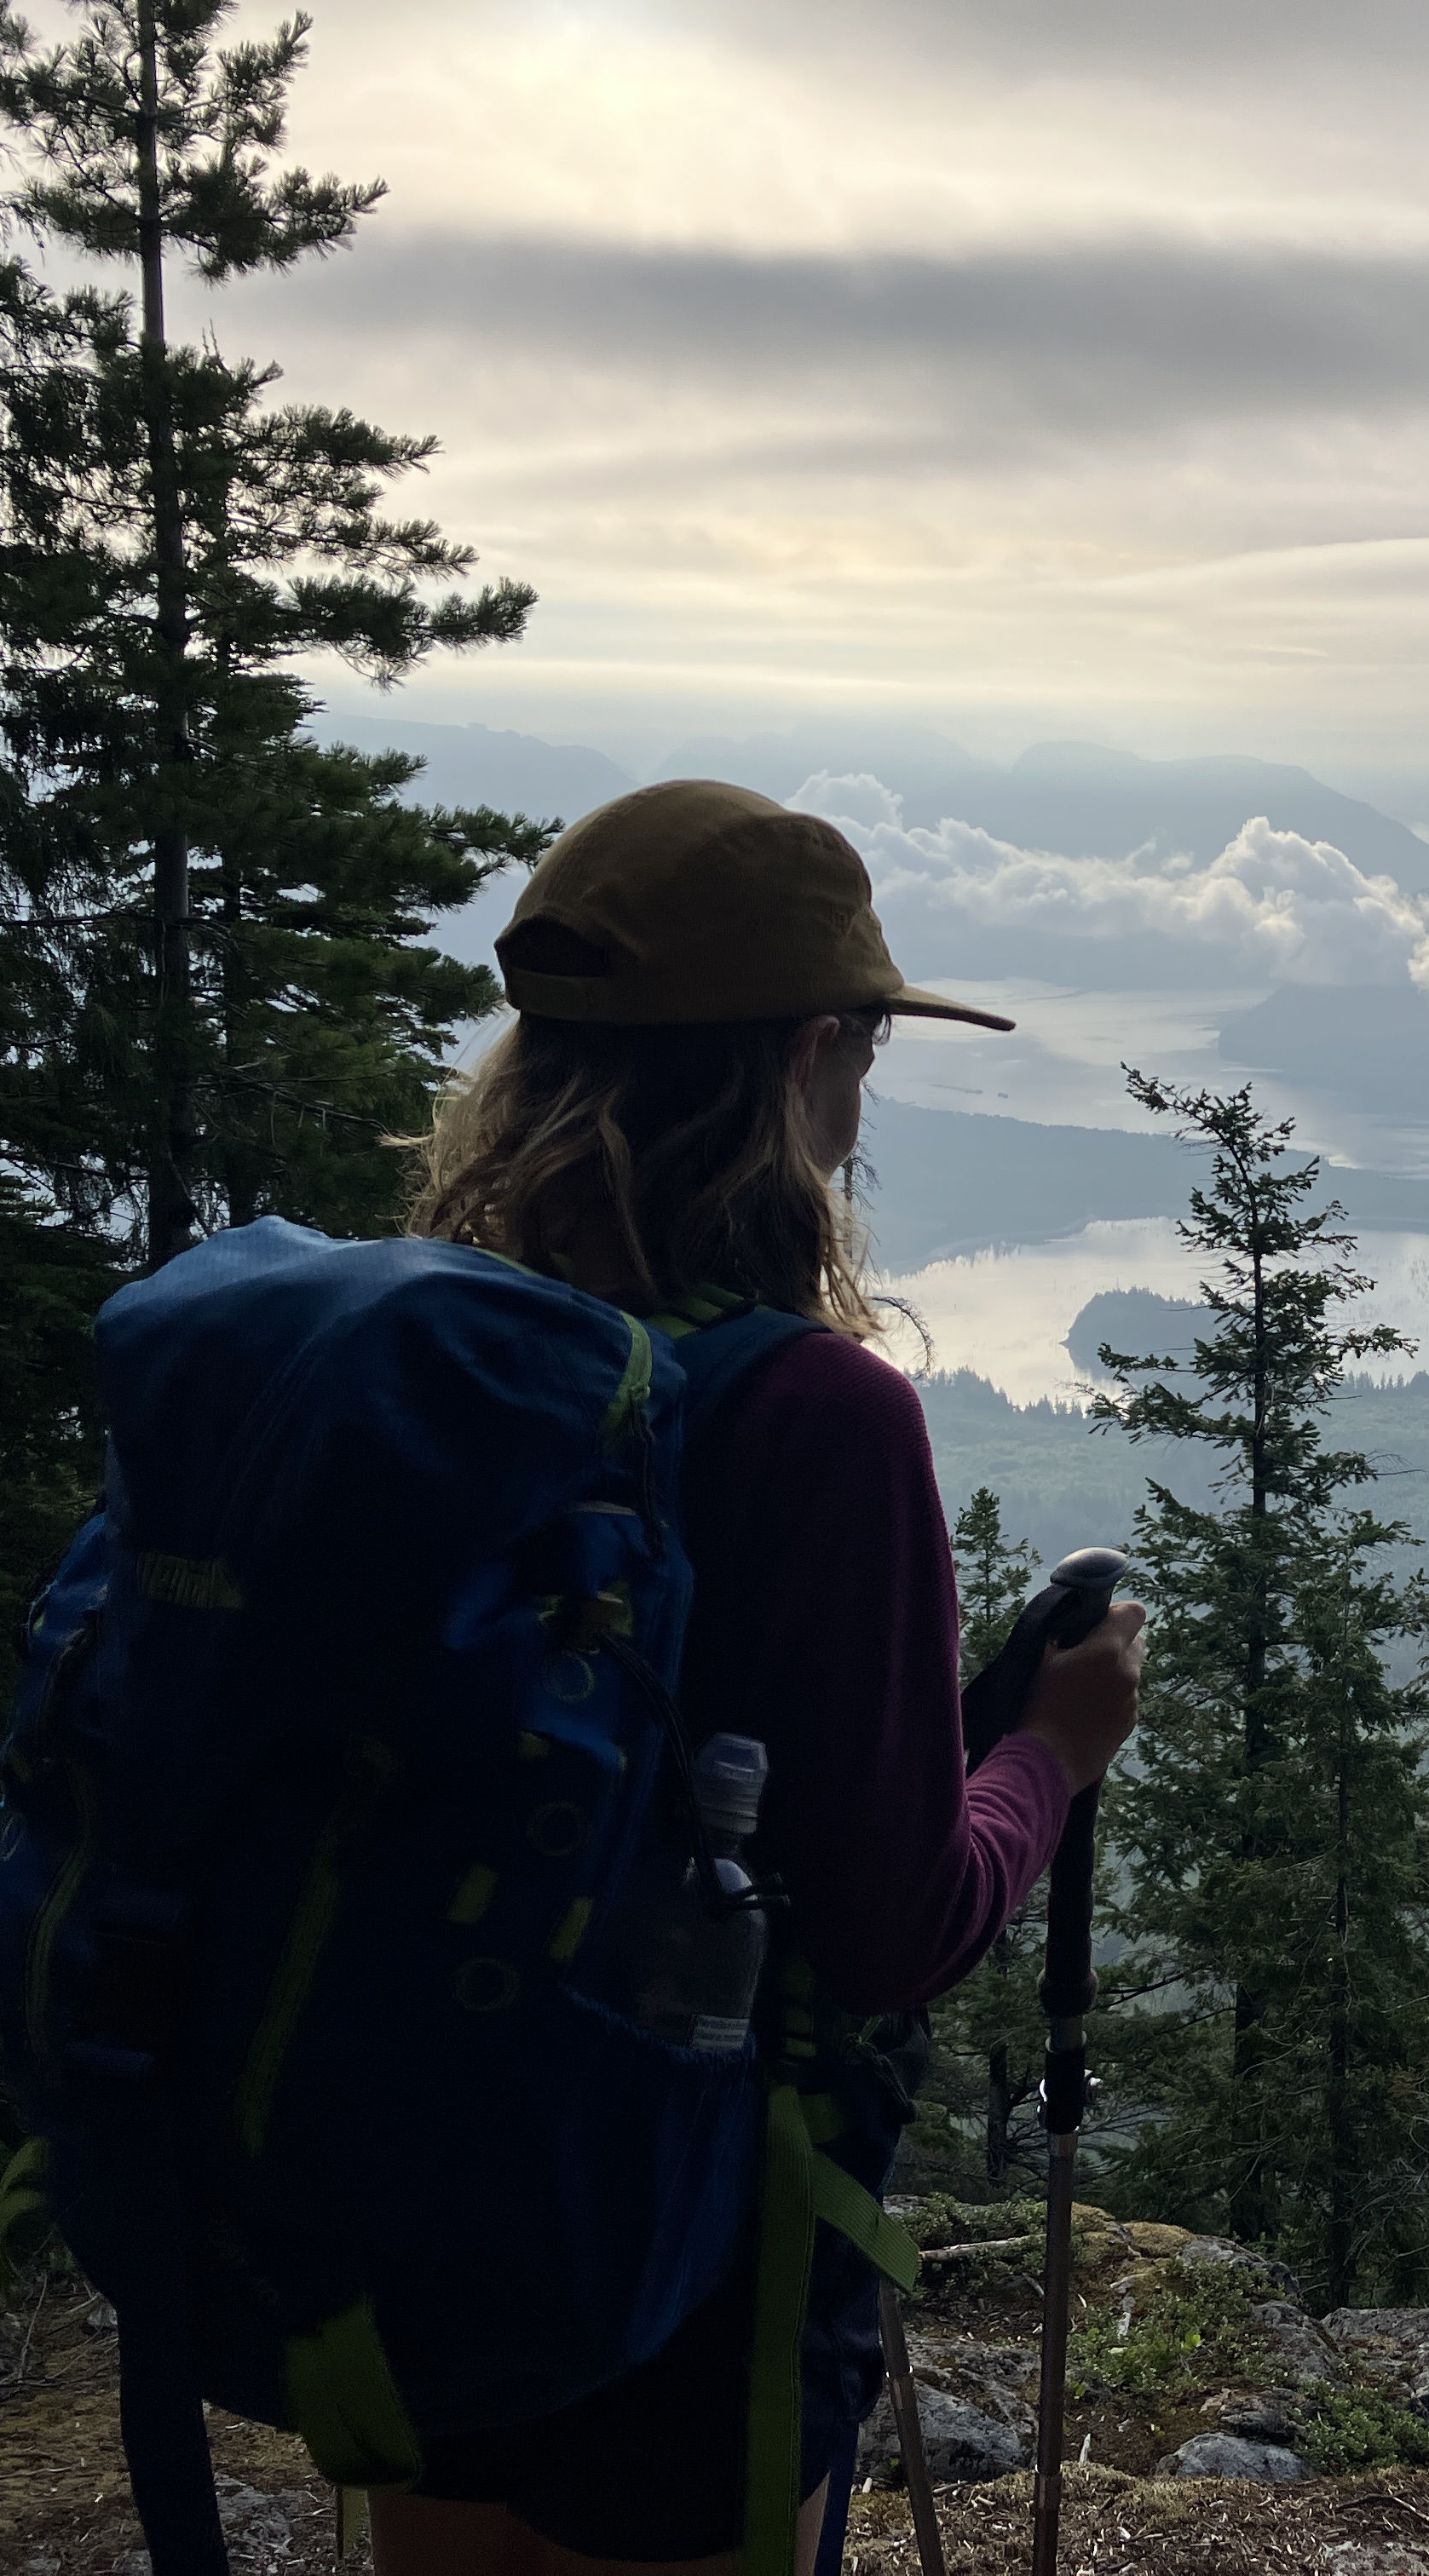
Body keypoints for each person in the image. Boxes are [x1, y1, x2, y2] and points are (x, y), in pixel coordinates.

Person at [370, 779, 1145, 2576]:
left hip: (407, 2178)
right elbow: (893, 1931)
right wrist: (1048, 1751)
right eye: (862, 1052)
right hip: (685, 2242)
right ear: (806, 1059)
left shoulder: (430, 1349)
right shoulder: (816, 1415)